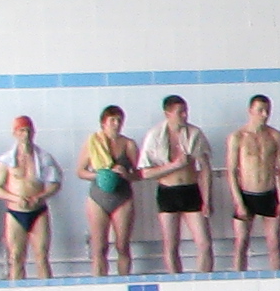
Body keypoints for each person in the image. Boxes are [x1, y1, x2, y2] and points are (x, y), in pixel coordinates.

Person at [142, 95, 212, 274]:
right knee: (171, 244)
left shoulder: (195, 134)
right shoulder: (155, 135)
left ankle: (204, 280)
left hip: (191, 190)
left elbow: (205, 169)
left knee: (204, 243)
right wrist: (174, 165)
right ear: (168, 113)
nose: (185, 116)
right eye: (180, 112)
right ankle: (175, 282)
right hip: (168, 192)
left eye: (186, 111)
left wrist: (207, 198)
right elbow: (146, 172)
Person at [0, 114, 61, 280]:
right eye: (22, 131)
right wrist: (15, 198)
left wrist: (41, 196)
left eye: (28, 131)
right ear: (15, 133)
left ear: (34, 132)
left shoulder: (44, 157)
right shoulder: (6, 160)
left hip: (38, 211)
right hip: (15, 212)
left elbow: (55, 183)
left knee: (42, 257)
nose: (26, 135)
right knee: (16, 258)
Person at [77, 103, 140, 276]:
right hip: (98, 198)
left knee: (122, 245)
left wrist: (126, 174)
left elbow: (140, 173)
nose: (116, 124)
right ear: (103, 123)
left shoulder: (129, 144)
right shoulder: (93, 143)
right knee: (99, 246)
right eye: (112, 120)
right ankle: (99, 284)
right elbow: (80, 172)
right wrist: (99, 175)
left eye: (119, 120)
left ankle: (124, 280)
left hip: (122, 197)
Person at [227, 94, 280, 271]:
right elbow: (231, 171)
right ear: (250, 111)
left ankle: (277, 278)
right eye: (260, 110)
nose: (264, 114)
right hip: (246, 194)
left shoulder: (275, 135)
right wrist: (238, 202)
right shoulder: (237, 137)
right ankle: (238, 279)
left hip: (269, 193)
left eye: (267, 110)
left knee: (274, 243)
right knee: (241, 242)